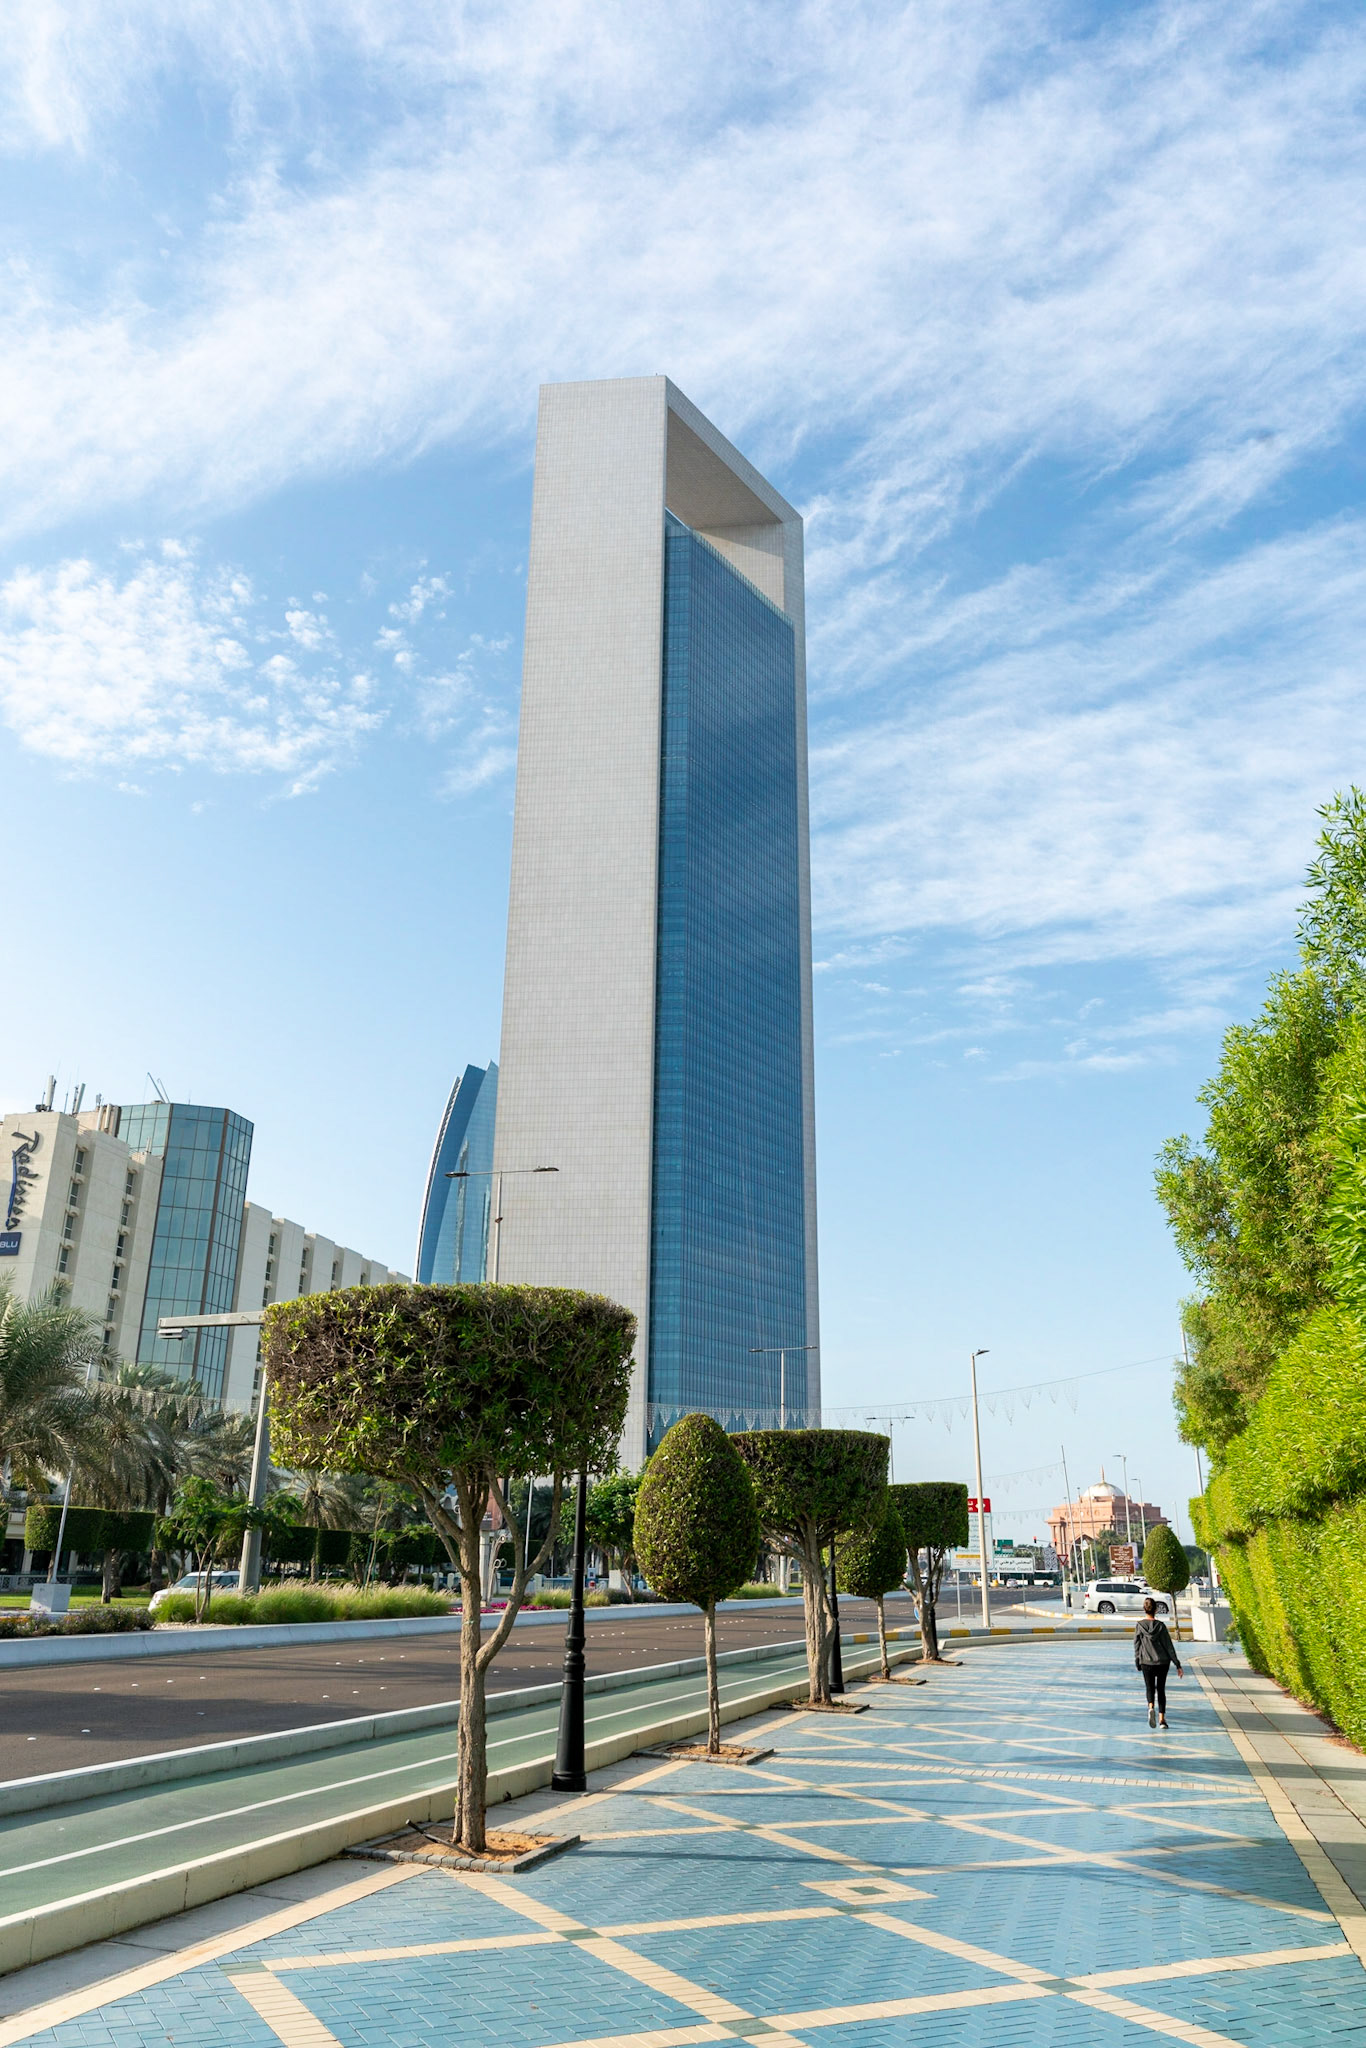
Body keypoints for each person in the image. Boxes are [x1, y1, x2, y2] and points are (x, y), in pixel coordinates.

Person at [1134, 1596, 1183, 1728]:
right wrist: (1177, 1664)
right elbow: (1169, 1646)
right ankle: (1162, 1720)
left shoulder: (1139, 1626)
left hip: (1146, 1662)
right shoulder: (1161, 1626)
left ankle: (1151, 1706)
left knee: (1149, 1688)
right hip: (1162, 1662)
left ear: (1144, 1609)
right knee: (1161, 1690)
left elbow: (1137, 1645)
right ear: (1155, 1610)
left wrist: (1137, 1660)